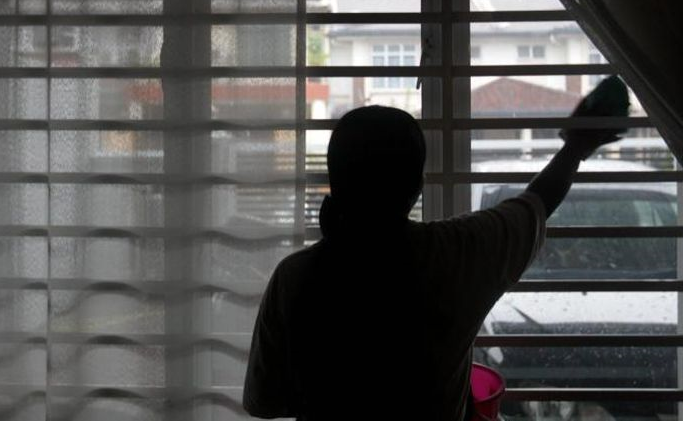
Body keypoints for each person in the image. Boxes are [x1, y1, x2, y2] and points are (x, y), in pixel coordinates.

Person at [243, 77, 629, 420]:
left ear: (335, 182)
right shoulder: (455, 257)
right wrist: (576, 146)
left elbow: (265, 403)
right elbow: (538, 202)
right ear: (417, 187)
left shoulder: (294, 278)